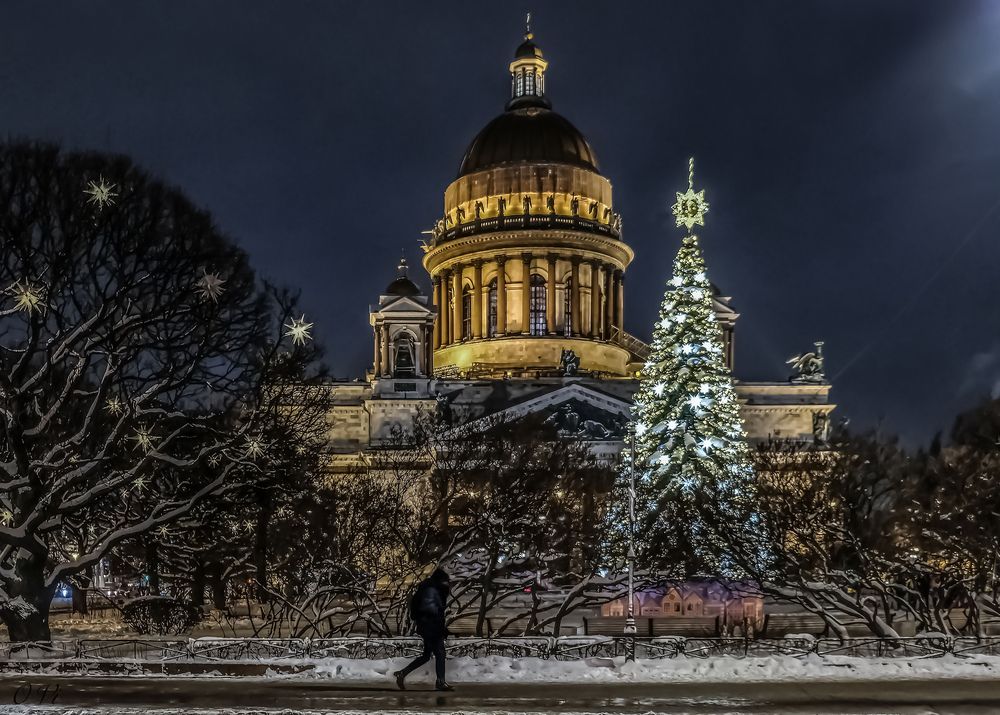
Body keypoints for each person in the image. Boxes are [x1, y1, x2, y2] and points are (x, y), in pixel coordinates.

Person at [393, 568, 453, 691]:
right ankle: (440, 682)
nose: (448, 584)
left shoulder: (432, 589)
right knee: (440, 653)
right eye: (446, 581)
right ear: (440, 580)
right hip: (431, 627)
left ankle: (403, 673)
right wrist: (440, 628)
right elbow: (432, 611)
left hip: (428, 626)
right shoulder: (432, 591)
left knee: (426, 655)